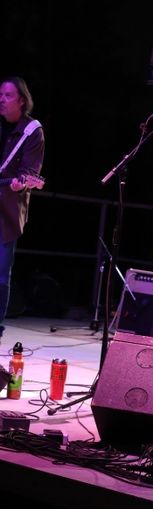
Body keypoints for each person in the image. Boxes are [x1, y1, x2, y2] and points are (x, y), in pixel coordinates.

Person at [0, 76, 45, 344]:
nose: (1, 100)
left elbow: (29, 173)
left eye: (7, 95)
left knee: (0, 275)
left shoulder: (32, 131)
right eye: (0, 95)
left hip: (5, 211)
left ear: (22, 100)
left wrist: (21, 184)